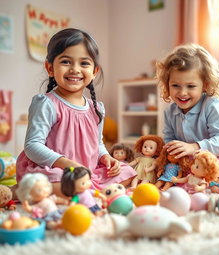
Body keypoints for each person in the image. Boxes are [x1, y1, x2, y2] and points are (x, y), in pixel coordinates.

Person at [16, 28, 136, 197]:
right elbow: (32, 146)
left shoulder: (97, 108)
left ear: (94, 71)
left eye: (84, 63)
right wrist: (66, 163)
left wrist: (105, 157)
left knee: (127, 171)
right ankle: (21, 191)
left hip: (87, 170)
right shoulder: (46, 103)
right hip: (55, 170)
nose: (75, 69)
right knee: (59, 183)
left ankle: (84, 189)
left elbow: (97, 143)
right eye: (66, 62)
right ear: (50, 68)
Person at [156, 43, 219, 159]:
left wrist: (195, 147)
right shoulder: (170, 111)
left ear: (205, 85)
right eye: (175, 85)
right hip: (186, 162)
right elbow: (169, 139)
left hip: (213, 159)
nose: (182, 93)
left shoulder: (211, 105)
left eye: (191, 86)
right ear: (167, 85)